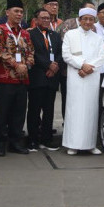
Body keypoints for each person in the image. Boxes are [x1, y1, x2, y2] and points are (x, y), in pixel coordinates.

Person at [0, 0, 34, 156]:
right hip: (5, 79)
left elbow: (31, 52)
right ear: (7, 12)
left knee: (18, 114)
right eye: (16, 11)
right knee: (2, 113)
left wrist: (26, 65)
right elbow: (0, 51)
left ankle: (15, 143)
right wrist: (17, 65)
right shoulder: (0, 30)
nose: (19, 14)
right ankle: (0, 144)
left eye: (21, 12)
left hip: (22, 79)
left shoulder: (25, 33)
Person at [62, 7, 104, 155]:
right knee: (75, 110)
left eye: (90, 19)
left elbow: (101, 58)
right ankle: (72, 144)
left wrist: (88, 68)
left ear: (94, 21)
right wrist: (82, 65)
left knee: (91, 110)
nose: (87, 22)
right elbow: (66, 55)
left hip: (91, 77)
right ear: (79, 20)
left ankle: (90, 144)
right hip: (75, 77)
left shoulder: (98, 38)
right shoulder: (70, 34)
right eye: (85, 19)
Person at [27, 8, 61, 152]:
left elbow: (60, 53)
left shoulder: (55, 35)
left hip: (52, 78)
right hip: (38, 77)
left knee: (49, 110)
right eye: (43, 18)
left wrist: (55, 66)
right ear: (36, 20)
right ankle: (33, 140)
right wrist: (48, 65)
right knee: (34, 110)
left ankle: (47, 139)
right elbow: (33, 54)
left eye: (48, 18)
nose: (46, 20)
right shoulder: (30, 34)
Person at [56, 2, 95, 119]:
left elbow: (95, 51)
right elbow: (65, 49)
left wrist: (87, 67)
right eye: (87, 11)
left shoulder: (93, 28)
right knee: (69, 100)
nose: (88, 19)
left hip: (88, 72)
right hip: (69, 71)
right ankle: (66, 123)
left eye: (92, 12)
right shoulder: (68, 24)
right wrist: (81, 65)